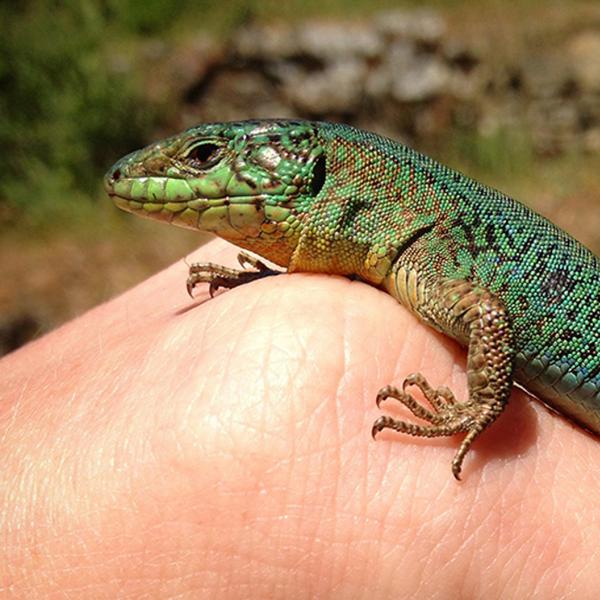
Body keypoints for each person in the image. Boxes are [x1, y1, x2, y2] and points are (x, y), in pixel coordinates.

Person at [1, 240, 598, 597]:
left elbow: (487, 317)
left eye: (206, 158)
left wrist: (477, 406)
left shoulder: (426, 250)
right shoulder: (394, 243)